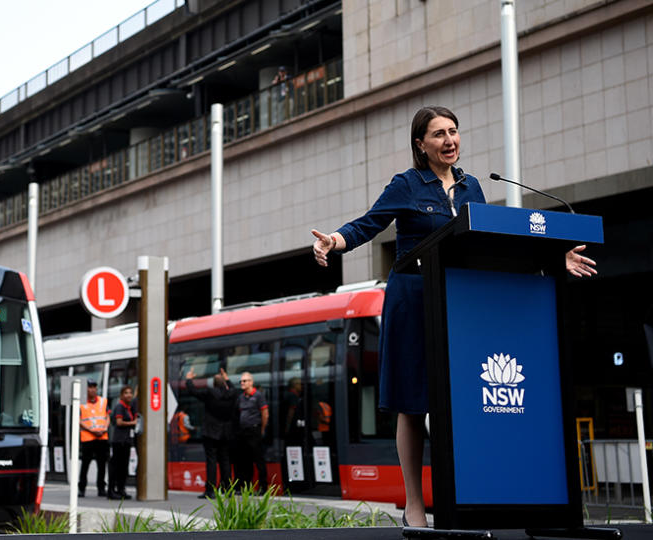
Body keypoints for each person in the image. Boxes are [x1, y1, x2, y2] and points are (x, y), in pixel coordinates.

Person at [309, 105, 598, 527]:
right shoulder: (407, 184)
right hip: (413, 297)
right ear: (420, 144)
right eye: (439, 134)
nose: (450, 140)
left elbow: (492, 238)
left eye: (454, 131)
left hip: (461, 300)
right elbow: (367, 225)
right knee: (412, 404)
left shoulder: (473, 187)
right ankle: (413, 504)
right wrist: (334, 241)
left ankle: (471, 494)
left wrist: (553, 255)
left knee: (462, 398)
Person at [185, 366, 240, 498]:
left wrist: (189, 379)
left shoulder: (209, 393)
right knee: (225, 461)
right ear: (225, 383)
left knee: (211, 461)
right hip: (226, 432)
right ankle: (227, 489)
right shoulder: (232, 393)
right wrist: (227, 379)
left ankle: (210, 490)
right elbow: (233, 389)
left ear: (213, 384)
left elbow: (193, 391)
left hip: (211, 432)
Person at [234, 371, 269, 494]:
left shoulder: (258, 396)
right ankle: (246, 488)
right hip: (243, 432)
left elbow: (265, 413)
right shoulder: (241, 397)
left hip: (255, 430)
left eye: (244, 381)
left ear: (251, 382)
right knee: (245, 461)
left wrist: (262, 429)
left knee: (259, 460)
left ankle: (263, 488)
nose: (242, 383)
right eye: (241, 381)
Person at [77, 379, 109, 497]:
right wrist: (92, 431)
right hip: (88, 438)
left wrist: (104, 428)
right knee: (85, 464)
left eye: (94, 387)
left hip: (102, 437)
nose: (93, 389)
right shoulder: (80, 403)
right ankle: (82, 488)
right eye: (90, 387)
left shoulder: (103, 401)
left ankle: (101, 488)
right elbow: (78, 420)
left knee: (102, 465)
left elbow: (107, 416)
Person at [108, 385, 137, 500]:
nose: (129, 395)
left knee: (123, 467)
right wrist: (133, 423)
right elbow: (119, 422)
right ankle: (112, 490)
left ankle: (121, 489)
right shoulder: (120, 407)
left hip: (126, 441)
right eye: (126, 393)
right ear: (121, 395)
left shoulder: (128, 407)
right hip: (119, 441)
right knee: (116, 466)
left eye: (130, 392)